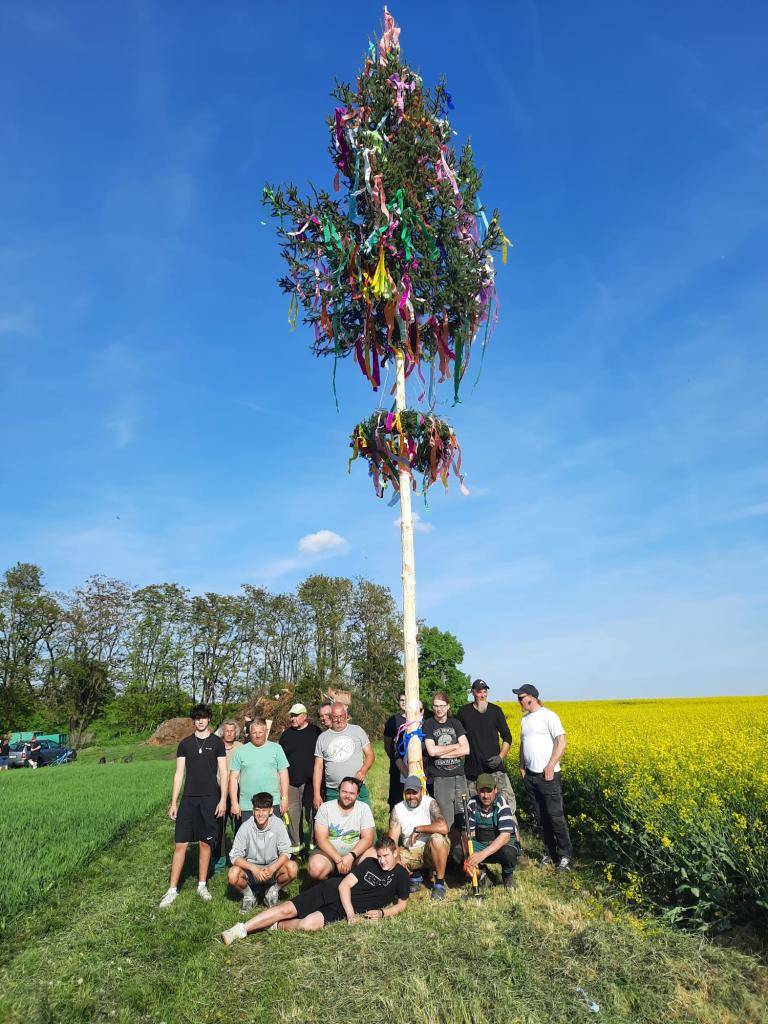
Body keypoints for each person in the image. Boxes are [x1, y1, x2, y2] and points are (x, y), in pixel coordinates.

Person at [221, 835, 409, 942]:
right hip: (332, 891)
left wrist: (383, 913)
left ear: (395, 853)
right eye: (380, 856)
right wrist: (351, 915)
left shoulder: (401, 875)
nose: (382, 860)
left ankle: (275, 925)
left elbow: (402, 904)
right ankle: (239, 930)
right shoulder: (370, 863)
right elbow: (344, 885)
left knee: (307, 925)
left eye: (386, 856)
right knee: (287, 909)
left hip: (338, 910)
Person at [159, 704, 227, 907]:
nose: (200, 721)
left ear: (209, 719)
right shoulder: (185, 744)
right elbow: (179, 773)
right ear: (193, 720)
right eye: (197, 718)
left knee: (206, 843)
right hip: (188, 799)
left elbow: (223, 773)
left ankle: (202, 884)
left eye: (204, 717)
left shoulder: (217, 743)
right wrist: (174, 802)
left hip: (210, 798)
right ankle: (172, 889)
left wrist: (223, 799)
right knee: (181, 844)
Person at [514, 683, 572, 871]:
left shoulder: (549, 716)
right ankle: (550, 853)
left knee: (555, 816)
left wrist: (551, 765)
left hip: (549, 776)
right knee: (540, 818)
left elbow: (561, 741)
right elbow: (523, 744)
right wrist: (522, 766)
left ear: (531, 697)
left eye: (520, 698)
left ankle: (565, 856)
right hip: (531, 776)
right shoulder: (525, 720)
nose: (519, 702)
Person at [227, 792, 298, 913]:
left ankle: (272, 892)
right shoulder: (245, 827)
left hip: (272, 870)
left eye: (264, 810)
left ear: (271, 810)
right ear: (253, 810)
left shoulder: (278, 825)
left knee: (292, 868)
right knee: (233, 874)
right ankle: (249, 896)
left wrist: (272, 869)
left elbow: (286, 851)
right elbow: (234, 855)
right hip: (252, 871)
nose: (260, 814)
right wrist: (254, 869)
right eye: (257, 810)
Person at [388, 775, 450, 901]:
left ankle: (439, 883)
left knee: (437, 839)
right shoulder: (398, 809)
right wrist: (398, 861)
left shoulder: (430, 803)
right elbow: (392, 841)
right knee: (388, 857)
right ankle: (415, 876)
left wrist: (419, 829)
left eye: (414, 793)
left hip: (429, 850)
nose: (411, 796)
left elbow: (444, 827)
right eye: (408, 793)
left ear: (421, 791)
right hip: (410, 852)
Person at [454, 773, 520, 890]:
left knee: (509, 852)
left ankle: (507, 876)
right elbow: (467, 835)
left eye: (489, 791)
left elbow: (505, 837)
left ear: (495, 790)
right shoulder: (471, 804)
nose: (485, 796)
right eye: (482, 791)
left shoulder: (501, 803)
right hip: (482, 843)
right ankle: (483, 875)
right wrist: (467, 858)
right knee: (458, 852)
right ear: (477, 791)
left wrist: (482, 855)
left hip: (501, 845)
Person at [458, 679, 515, 805]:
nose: (483, 695)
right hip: (473, 772)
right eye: (479, 692)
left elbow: (507, 737)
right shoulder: (463, 712)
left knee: (507, 805)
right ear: (473, 692)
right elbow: (458, 738)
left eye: (485, 692)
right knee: (475, 809)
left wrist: (500, 757)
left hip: (495, 771)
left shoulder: (496, 711)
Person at [307, 776, 375, 880]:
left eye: (352, 793)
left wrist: (351, 856)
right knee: (316, 868)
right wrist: (338, 859)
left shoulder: (364, 808)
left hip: (355, 854)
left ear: (357, 794)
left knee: (376, 857)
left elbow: (368, 838)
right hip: (329, 855)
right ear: (339, 791)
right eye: (344, 792)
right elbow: (321, 839)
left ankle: (357, 883)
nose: (347, 796)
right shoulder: (325, 808)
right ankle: (326, 886)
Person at [422, 692, 470, 831]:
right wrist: (455, 746)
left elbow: (466, 749)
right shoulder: (429, 724)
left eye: (442, 706)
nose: (439, 709)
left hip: (459, 777)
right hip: (441, 778)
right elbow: (431, 751)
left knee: (463, 816)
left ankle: (462, 849)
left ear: (448, 706)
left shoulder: (455, 723)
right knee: (446, 819)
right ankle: (447, 850)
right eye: (436, 706)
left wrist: (441, 753)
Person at [313, 703, 374, 808]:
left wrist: (363, 770)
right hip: (333, 791)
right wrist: (316, 794)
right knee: (335, 824)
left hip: (357, 788)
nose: (339, 720)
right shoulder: (322, 738)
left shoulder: (357, 731)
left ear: (346, 716)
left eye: (342, 716)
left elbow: (370, 755)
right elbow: (318, 768)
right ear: (331, 717)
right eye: (336, 717)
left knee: (364, 822)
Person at [229, 718, 289, 824]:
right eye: (254, 732)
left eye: (261, 732)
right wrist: (234, 803)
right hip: (247, 805)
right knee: (248, 838)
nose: (257, 735)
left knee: (272, 837)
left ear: (266, 732)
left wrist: (284, 798)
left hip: (272, 803)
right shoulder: (240, 751)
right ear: (249, 733)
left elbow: (283, 774)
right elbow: (233, 778)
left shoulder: (276, 749)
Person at [279, 703, 321, 853]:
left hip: (311, 783)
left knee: (312, 816)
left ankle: (313, 849)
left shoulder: (316, 731)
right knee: (292, 818)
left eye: (296, 715)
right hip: (291, 783)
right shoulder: (286, 735)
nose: (293, 718)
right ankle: (296, 850)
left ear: (305, 716)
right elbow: (280, 762)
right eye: (291, 715)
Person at [212, 719, 243, 873]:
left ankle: (238, 859)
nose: (229, 733)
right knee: (219, 828)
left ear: (235, 732)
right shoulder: (216, 746)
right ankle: (219, 862)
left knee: (239, 826)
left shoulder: (240, 747)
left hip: (237, 791)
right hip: (219, 792)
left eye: (232, 730)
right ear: (222, 732)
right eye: (227, 730)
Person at [383, 693, 407, 810]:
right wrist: (394, 758)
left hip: (416, 765)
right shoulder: (393, 720)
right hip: (397, 767)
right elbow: (387, 743)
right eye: (401, 700)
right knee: (396, 802)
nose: (404, 702)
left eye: (406, 700)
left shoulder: (420, 719)